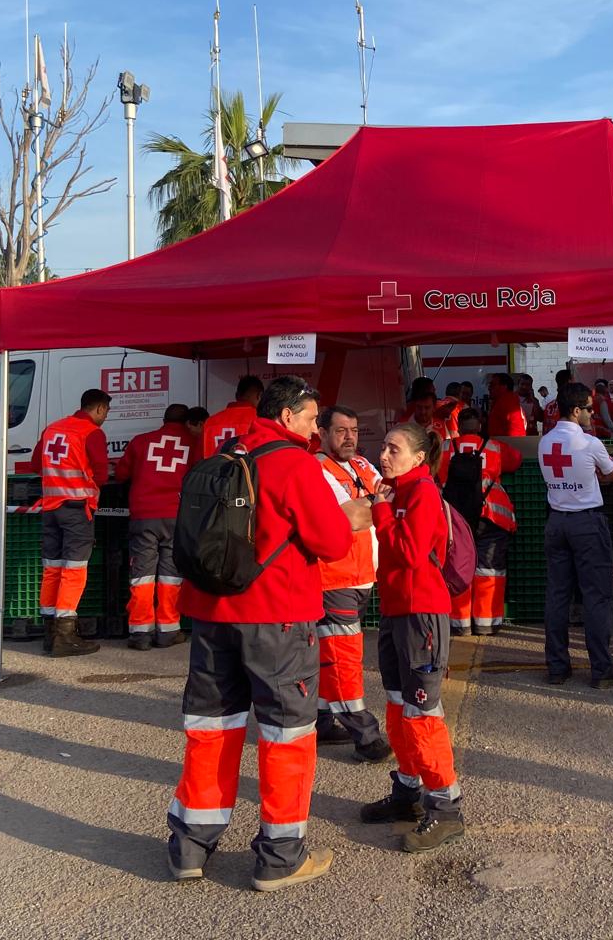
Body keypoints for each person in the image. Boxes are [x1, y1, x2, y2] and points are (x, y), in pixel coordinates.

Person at [167, 377, 352, 890]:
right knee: (286, 734)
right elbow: (333, 541)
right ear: (288, 416)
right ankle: (280, 856)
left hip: (209, 616)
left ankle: (189, 846)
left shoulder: (226, 454)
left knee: (210, 729)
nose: (317, 429)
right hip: (276, 619)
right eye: (313, 419)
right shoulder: (295, 464)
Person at [359, 423, 466, 853]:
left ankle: (446, 806)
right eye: (383, 447)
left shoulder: (420, 493)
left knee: (422, 713)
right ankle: (407, 792)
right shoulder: (399, 493)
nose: (384, 455)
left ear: (419, 458)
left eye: (394, 449)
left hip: (421, 617)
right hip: (398, 613)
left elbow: (408, 551)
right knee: (399, 705)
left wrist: (381, 513)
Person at [538, 382, 613, 688]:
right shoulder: (590, 444)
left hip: (556, 522)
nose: (593, 413)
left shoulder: (545, 442)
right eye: (590, 408)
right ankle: (602, 668)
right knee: (597, 596)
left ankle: (557, 667)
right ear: (576, 411)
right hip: (587, 524)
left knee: (557, 595)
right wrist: (594, 478)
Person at [314, 404, 393, 763]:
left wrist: (373, 503)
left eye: (355, 430)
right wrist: (377, 503)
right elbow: (352, 518)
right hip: (333, 577)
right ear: (323, 432)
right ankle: (365, 733)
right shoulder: (316, 467)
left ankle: (320, 720)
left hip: (363, 575)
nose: (350, 437)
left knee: (327, 653)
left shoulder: (361, 464)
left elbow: (388, 495)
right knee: (343, 657)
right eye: (342, 430)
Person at [38, 389, 112, 658]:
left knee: (52, 568)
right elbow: (102, 475)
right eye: (105, 412)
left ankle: (49, 631)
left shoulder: (52, 429)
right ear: (100, 409)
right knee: (74, 570)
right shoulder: (91, 433)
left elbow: (37, 463)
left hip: (50, 508)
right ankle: (66, 634)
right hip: (77, 509)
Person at [437, 407, 522, 635]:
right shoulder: (494, 447)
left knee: (457, 566)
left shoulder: (445, 448)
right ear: (480, 427)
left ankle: (459, 624)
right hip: (491, 516)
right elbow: (516, 460)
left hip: (454, 518)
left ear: (458, 428)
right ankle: (486, 624)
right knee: (489, 569)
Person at [113, 404, 192, 651]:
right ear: (187, 421)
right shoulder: (194, 443)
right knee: (171, 575)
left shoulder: (141, 441)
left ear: (164, 419)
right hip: (176, 516)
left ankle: (140, 633)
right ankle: (168, 630)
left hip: (144, 516)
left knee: (141, 575)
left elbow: (121, 474)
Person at [202, 375, 264, 458]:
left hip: (213, 469)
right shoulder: (261, 420)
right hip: (246, 470)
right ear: (259, 396)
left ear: (236, 395)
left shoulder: (210, 422)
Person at [486, 372, 526, 438]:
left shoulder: (508, 401)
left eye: (492, 385)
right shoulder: (504, 400)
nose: (489, 388)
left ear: (504, 386)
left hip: (507, 445)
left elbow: (516, 430)